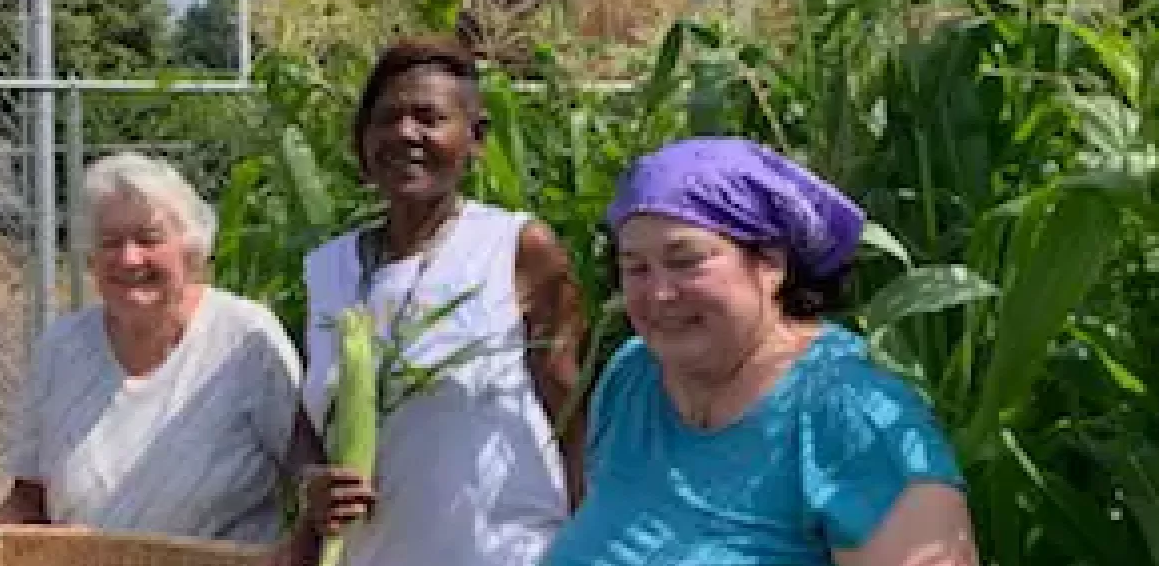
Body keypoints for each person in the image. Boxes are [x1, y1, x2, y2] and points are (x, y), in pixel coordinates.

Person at [538, 137, 979, 565]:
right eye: (635, 268)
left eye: (685, 261)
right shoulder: (634, 375)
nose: (659, 294)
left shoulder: (854, 416)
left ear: (770, 264)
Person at [296, 36, 591, 566]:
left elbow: (573, 414)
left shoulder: (515, 250)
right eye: (386, 119)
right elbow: (311, 421)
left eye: (429, 118)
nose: (405, 133)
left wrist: (593, 545)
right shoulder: (328, 269)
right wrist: (311, 487)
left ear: (476, 139)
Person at [0, 152, 309, 564]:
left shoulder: (245, 339)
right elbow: (29, 497)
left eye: (148, 239)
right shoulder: (61, 347)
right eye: (110, 243)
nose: (128, 258)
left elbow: (306, 477)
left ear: (191, 248)